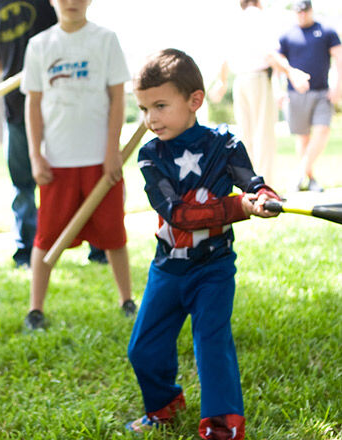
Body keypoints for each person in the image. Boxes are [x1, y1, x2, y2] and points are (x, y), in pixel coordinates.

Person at [127, 49, 280, 439]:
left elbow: (251, 181)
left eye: (160, 105)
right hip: (168, 269)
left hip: (213, 269)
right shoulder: (150, 156)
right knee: (142, 348)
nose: (151, 118)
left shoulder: (224, 145)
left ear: (195, 101)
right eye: (144, 108)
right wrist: (241, 207)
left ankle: (222, 424)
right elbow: (178, 213)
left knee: (212, 343)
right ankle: (164, 404)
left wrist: (262, 194)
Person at [20, 0, 136, 330]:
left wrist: (112, 151)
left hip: (100, 163)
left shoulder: (105, 39)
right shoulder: (40, 45)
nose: (72, 2)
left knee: (114, 234)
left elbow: (118, 98)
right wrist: (35, 154)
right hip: (57, 163)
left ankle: (126, 300)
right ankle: (35, 310)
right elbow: (34, 104)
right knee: (46, 239)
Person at [0, 0, 108, 268]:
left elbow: (68, 35)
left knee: (81, 176)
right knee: (22, 185)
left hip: (58, 108)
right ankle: (25, 254)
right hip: (15, 110)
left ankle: (100, 248)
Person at [209, 0, 280, 186]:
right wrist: (292, 73)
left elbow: (224, 58)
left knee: (246, 135)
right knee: (263, 135)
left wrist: (222, 82)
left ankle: (249, 184)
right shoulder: (259, 17)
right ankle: (266, 187)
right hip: (257, 78)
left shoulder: (235, 20)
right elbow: (270, 54)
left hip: (240, 81)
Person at [276, 0, 342, 192]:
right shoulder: (287, 35)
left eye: (305, 11)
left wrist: (338, 87)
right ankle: (309, 178)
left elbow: (339, 59)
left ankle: (298, 174)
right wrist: (279, 91)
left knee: (322, 131)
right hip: (295, 93)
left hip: (322, 91)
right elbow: (279, 64)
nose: (302, 14)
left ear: (311, 10)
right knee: (303, 138)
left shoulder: (327, 31)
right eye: (298, 12)